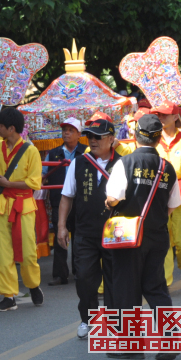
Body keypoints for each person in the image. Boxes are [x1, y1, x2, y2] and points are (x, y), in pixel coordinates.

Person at [104, 114, 181, 360]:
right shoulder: (167, 168)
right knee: (157, 288)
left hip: (128, 236)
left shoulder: (124, 163)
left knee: (127, 288)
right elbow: (172, 205)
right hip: (157, 235)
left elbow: (114, 197)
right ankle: (170, 343)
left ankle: (131, 346)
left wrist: (108, 202)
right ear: (159, 139)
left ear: (136, 136)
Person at [56, 118, 121, 339]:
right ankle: (88, 319)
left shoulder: (122, 164)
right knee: (83, 277)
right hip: (84, 231)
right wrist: (61, 226)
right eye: (89, 136)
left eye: (98, 137)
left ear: (111, 139)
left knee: (114, 278)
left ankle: (114, 323)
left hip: (114, 233)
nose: (92, 141)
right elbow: (66, 197)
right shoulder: (79, 163)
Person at [0, 107, 43, 312]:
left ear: (12, 128)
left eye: (0, 125)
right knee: (3, 253)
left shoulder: (31, 151)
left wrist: (9, 184)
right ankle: (8, 296)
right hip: (2, 207)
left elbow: (34, 183)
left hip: (24, 207)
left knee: (27, 252)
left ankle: (33, 284)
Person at [151, 102, 181, 292]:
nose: (161, 119)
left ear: (175, 117)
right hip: (159, 196)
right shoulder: (151, 140)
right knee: (163, 243)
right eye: (158, 115)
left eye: (164, 115)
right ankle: (166, 283)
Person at [44, 117, 84, 286]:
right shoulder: (53, 153)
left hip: (81, 199)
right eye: (64, 130)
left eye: (71, 130)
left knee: (80, 236)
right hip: (59, 199)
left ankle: (79, 271)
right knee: (60, 235)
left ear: (79, 134)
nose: (66, 133)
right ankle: (60, 274)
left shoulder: (86, 151)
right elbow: (42, 175)